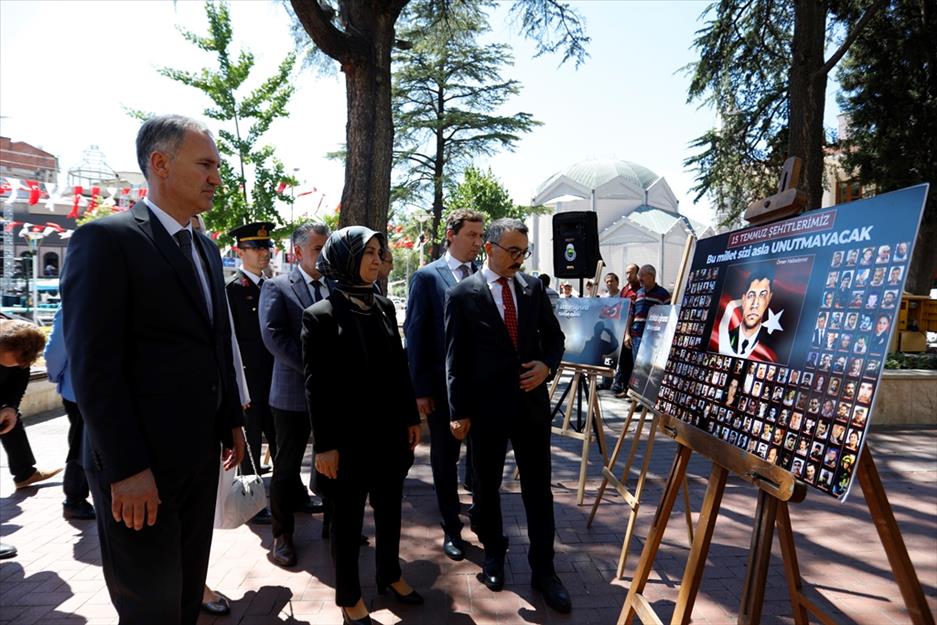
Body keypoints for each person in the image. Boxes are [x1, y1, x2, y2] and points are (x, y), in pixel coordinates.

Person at [61, 114, 245, 625]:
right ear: (159, 164)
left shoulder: (207, 248)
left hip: (200, 457)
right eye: (205, 164)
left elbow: (215, 341)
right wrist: (125, 469)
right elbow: (94, 366)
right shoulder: (105, 240)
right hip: (139, 470)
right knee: (150, 607)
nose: (216, 177)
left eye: (218, 166)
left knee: (185, 597)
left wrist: (230, 419)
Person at [446, 218, 571, 613]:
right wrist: (458, 411)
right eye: (512, 251)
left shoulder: (534, 289)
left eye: (524, 252)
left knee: (539, 489)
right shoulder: (463, 294)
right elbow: (456, 359)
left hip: (531, 409)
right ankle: (495, 554)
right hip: (486, 411)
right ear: (490, 249)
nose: (519, 259)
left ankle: (544, 570)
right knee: (485, 487)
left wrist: (546, 366)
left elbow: (555, 339)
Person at [303, 227, 423, 625]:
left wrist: (410, 417)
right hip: (347, 441)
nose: (377, 259)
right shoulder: (319, 316)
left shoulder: (383, 306)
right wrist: (325, 446)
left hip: (389, 435)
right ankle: (349, 595)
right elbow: (316, 386)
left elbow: (398, 368)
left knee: (389, 511)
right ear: (343, 258)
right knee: (347, 521)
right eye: (367, 252)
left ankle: (390, 573)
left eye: (379, 252)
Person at [404, 209, 484, 562]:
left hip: (481, 387)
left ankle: (482, 516)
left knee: (482, 458)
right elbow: (416, 333)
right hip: (441, 389)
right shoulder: (427, 277)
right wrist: (420, 390)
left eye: (481, 237)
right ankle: (451, 528)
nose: (478, 243)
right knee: (444, 460)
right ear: (451, 235)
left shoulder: (484, 275)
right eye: (472, 236)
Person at [259, 222, 331, 568]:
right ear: (298, 251)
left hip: (332, 394)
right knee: (286, 469)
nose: (324, 254)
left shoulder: (335, 286)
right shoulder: (277, 286)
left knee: (335, 459)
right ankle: (282, 535)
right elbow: (273, 336)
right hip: (291, 394)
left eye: (326, 248)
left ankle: (335, 524)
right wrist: (314, 368)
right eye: (318, 248)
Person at [226, 221, 277, 525]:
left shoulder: (271, 286)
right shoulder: (232, 290)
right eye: (256, 248)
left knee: (281, 441)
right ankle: (253, 502)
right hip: (248, 382)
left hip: (274, 380)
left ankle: (289, 493)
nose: (264, 253)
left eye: (266, 247)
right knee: (251, 444)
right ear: (239, 251)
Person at [1, 316, 61, 560]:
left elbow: (19, 378)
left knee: (12, 424)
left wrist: (11, 407)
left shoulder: (20, 351)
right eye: (7, 363)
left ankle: (25, 473)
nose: (13, 367)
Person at [43, 307, 96, 520]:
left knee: (81, 442)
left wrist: (57, 377)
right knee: (81, 443)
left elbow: (56, 350)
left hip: (78, 388)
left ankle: (76, 498)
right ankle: (74, 498)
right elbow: (56, 349)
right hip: (82, 389)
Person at [718, 264, 778, 361]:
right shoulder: (723, 338)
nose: (755, 304)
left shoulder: (770, 350)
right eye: (751, 295)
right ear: (743, 300)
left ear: (769, 299)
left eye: (762, 295)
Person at [625, 264, 671, 362]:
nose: (639, 278)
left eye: (642, 275)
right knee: (637, 371)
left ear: (652, 276)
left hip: (653, 340)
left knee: (648, 370)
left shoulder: (663, 294)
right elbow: (631, 314)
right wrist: (627, 334)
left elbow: (668, 318)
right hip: (636, 338)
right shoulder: (638, 293)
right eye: (639, 275)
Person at [612, 263, 641, 397]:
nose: (628, 276)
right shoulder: (624, 289)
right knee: (624, 361)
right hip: (623, 330)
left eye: (631, 272)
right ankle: (624, 388)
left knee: (634, 362)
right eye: (627, 273)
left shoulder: (640, 290)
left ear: (637, 273)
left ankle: (633, 391)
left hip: (635, 331)